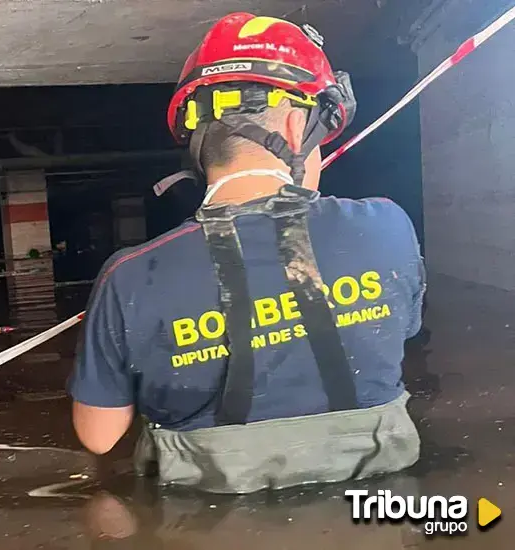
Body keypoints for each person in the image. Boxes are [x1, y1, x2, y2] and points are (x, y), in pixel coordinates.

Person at [68, 12, 426, 493]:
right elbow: (401, 335)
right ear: (299, 129)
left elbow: (99, 436)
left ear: (196, 144)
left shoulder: (129, 276)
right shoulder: (386, 226)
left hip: (204, 522)